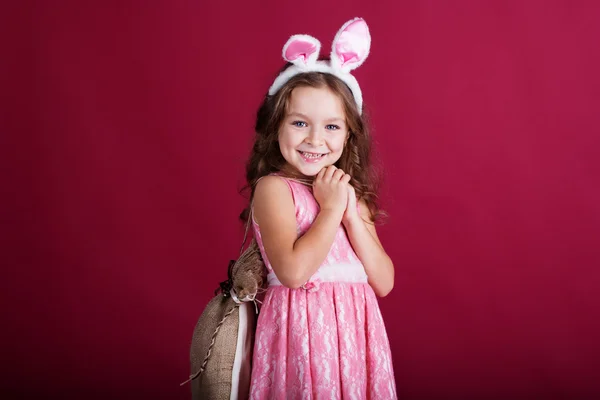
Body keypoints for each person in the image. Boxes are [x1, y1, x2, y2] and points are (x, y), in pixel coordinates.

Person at [241, 18, 397, 399]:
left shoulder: (347, 193)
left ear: (349, 135)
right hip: (302, 341)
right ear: (275, 127)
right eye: (299, 123)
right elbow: (293, 273)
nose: (315, 139)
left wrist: (349, 214)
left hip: (356, 343)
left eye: (332, 127)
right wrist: (328, 213)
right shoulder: (274, 189)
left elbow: (384, 281)